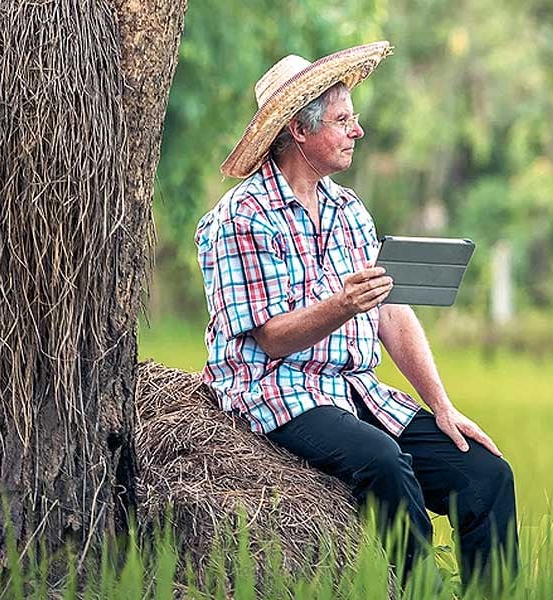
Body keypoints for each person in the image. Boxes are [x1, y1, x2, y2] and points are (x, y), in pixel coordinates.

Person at [195, 41, 518, 586]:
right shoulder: (240, 218)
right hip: (278, 392)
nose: (357, 131)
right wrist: (343, 304)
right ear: (299, 130)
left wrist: (442, 406)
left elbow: (392, 313)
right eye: (343, 119)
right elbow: (271, 339)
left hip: (355, 391)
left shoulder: (349, 211)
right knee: (384, 462)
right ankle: (424, 594)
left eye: (354, 118)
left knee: (486, 473)